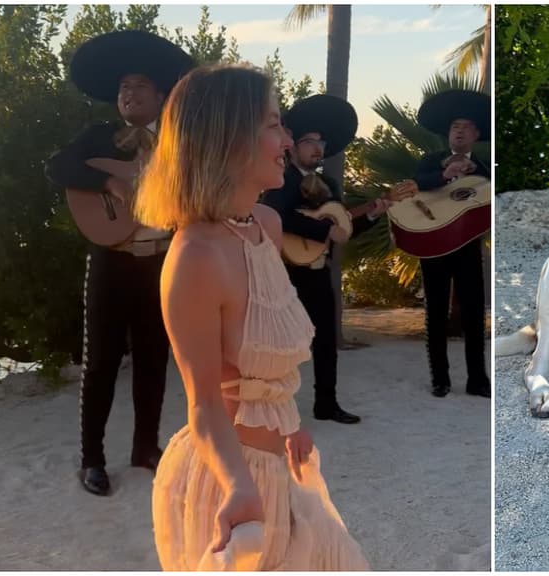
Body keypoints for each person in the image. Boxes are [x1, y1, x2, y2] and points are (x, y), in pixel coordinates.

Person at [136, 63, 369, 571]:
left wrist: (291, 428)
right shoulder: (195, 257)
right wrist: (240, 485)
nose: (286, 139)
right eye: (273, 123)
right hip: (228, 484)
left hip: (284, 466)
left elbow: (264, 373)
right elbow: (205, 405)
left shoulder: (264, 224)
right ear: (228, 137)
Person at [44, 30, 194, 496]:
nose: (128, 94)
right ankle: (92, 459)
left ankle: (146, 448)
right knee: (101, 364)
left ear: (161, 95)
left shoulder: (178, 144)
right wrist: (108, 184)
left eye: (138, 86)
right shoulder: (100, 136)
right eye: (123, 88)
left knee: (153, 360)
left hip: (160, 264)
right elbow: (57, 168)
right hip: (112, 260)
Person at [260, 95, 411, 424]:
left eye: (321, 142)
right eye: (310, 141)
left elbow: (341, 229)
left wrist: (371, 214)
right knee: (278, 343)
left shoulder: (328, 185)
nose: (317, 148)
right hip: (283, 273)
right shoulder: (280, 179)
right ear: (293, 145)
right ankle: (273, 407)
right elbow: (274, 217)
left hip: (317, 273)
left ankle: (326, 404)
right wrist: (320, 229)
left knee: (325, 339)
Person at [414, 89, 492, 398]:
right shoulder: (430, 161)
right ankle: (440, 379)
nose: (459, 131)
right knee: (435, 312)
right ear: (448, 134)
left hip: (468, 246)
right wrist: (445, 174)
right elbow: (417, 186)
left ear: (475, 134)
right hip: (433, 245)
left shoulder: (485, 166)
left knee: (474, 313)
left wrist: (477, 173)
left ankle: (478, 380)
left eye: (465, 127)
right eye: (454, 126)